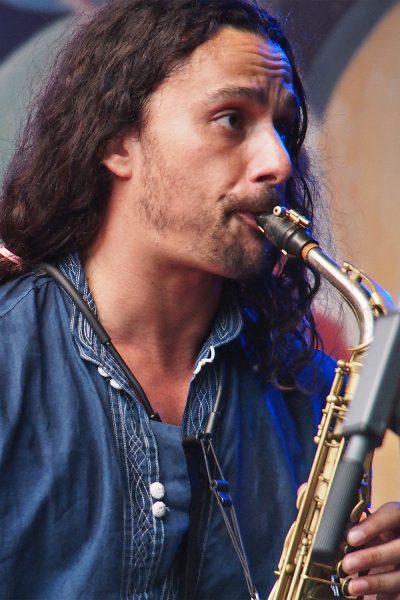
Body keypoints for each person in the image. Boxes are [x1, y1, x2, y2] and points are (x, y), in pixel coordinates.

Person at [0, 1, 399, 598]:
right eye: (231, 119)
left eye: (284, 127)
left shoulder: (308, 390)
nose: (279, 162)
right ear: (116, 143)